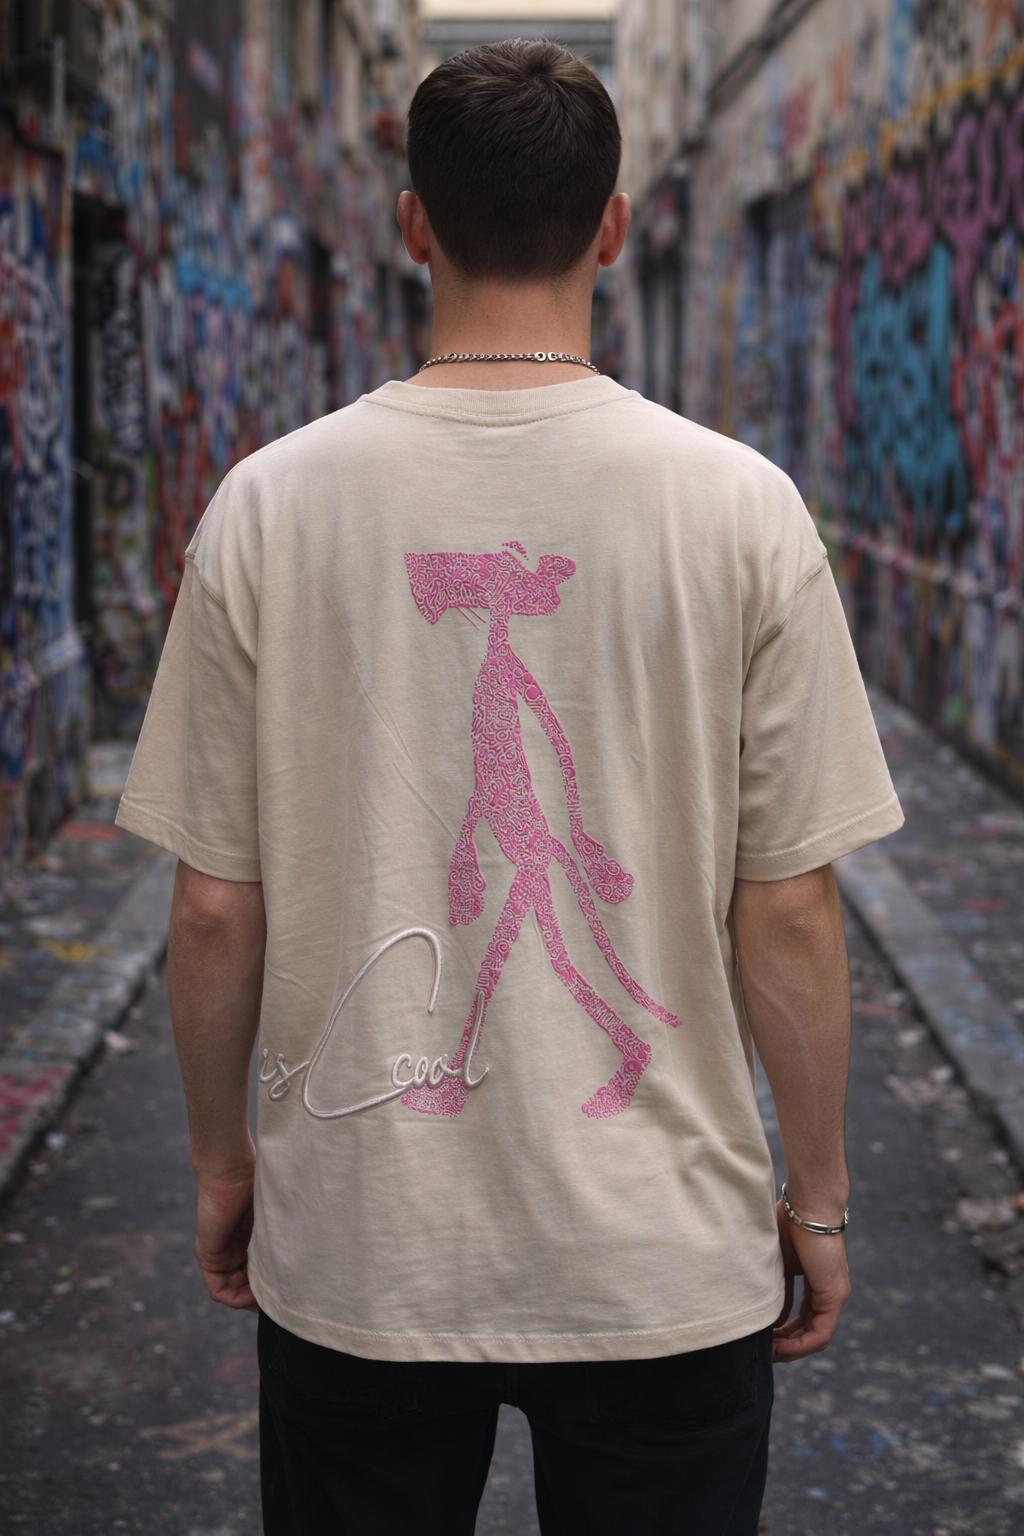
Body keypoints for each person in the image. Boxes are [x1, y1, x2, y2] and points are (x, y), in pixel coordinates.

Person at [116, 39, 903, 1536]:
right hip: (662, 1260)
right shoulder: (743, 509)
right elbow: (791, 910)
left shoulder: (268, 505)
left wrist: (225, 1165)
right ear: (614, 226)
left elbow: (214, 908)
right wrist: (815, 1195)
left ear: (412, 224)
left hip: (363, 1249)